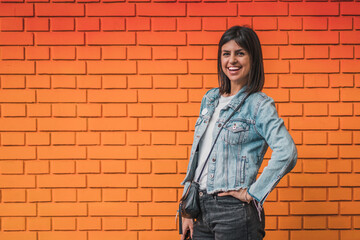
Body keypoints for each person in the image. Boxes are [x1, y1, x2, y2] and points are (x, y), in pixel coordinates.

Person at [180, 25, 297, 240]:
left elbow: (287, 152)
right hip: (201, 211)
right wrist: (187, 209)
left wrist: (253, 192)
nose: (232, 60)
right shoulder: (210, 99)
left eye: (240, 53)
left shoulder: (259, 105)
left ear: (253, 59)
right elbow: (198, 156)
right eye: (226, 54)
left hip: (234, 213)